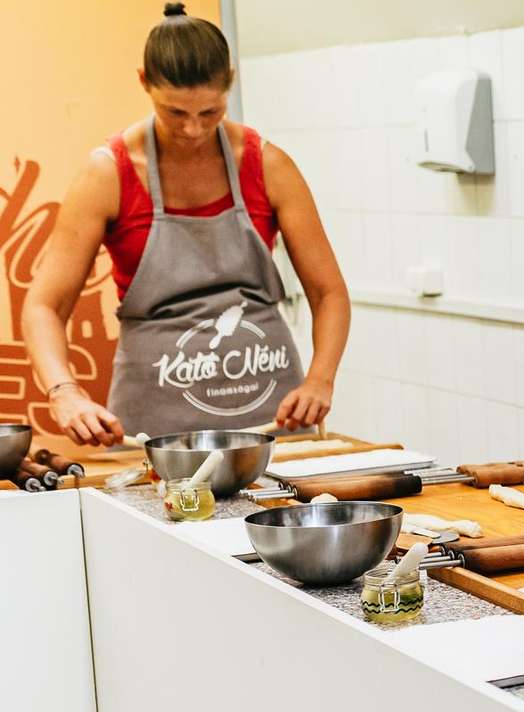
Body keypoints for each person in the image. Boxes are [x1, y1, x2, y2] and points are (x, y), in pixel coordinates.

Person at [23, 2, 347, 445]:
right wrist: (64, 391)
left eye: (210, 113)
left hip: (272, 422)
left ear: (229, 85)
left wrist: (319, 381)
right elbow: (45, 305)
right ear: (144, 83)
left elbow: (328, 292)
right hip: (153, 431)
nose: (193, 130)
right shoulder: (107, 174)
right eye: (175, 113)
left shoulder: (268, 165)